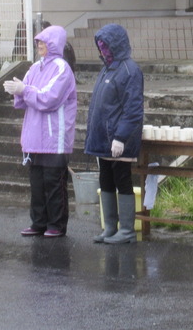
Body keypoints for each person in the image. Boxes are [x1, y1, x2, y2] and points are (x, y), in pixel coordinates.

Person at [5, 25, 77, 238]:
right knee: (37, 183)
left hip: (55, 137)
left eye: (43, 42)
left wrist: (24, 90)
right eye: (38, 42)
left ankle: (56, 224)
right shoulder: (35, 67)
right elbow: (25, 97)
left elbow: (50, 98)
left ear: (54, 43)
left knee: (54, 183)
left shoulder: (62, 68)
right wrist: (17, 91)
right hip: (34, 137)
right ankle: (39, 222)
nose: (39, 45)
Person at [84, 24, 144, 244]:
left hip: (118, 140)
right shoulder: (107, 68)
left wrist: (120, 137)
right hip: (103, 140)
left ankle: (126, 230)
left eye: (106, 46)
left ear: (116, 45)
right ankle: (110, 227)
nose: (103, 51)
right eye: (100, 47)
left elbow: (133, 110)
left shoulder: (129, 70)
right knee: (106, 180)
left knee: (122, 180)